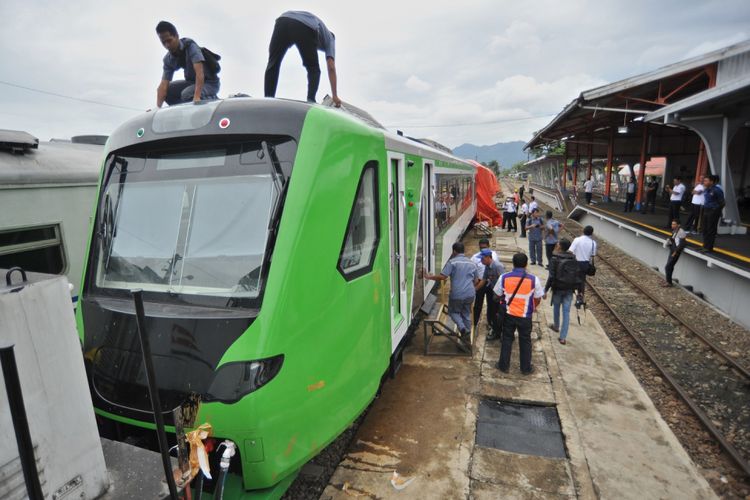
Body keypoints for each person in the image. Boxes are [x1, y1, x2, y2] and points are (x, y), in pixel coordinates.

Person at [264, 11, 341, 106]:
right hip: (305, 25)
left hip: (282, 20)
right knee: (314, 69)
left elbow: (292, 36)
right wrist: (335, 95)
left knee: (273, 63)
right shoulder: (331, 39)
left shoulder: (320, 33)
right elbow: (331, 67)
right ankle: (311, 100)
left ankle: (267, 99)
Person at [493, 253, 545, 374]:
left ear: (513, 263)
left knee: (507, 339)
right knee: (525, 341)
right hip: (525, 316)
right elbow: (538, 298)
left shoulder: (504, 277)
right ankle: (526, 369)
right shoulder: (533, 279)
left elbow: (497, 294)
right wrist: (532, 308)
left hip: (509, 314)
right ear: (526, 264)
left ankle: (503, 366)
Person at [155, 21, 220, 107]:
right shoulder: (168, 59)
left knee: (187, 94)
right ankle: (183, 113)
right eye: (163, 42)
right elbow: (163, 85)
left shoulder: (191, 47)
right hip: (191, 83)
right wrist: (158, 107)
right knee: (168, 91)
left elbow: (200, 73)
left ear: (177, 36)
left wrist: (196, 98)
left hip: (209, 83)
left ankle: (212, 100)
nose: (167, 45)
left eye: (169, 41)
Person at [424, 242, 480, 338]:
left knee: (453, 312)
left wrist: (429, 277)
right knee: (466, 313)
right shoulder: (472, 263)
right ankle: (467, 336)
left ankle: (463, 329)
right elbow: (476, 280)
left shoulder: (452, 262)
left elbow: (442, 277)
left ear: (454, 251)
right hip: (470, 293)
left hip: (457, 294)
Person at [544, 238, 580, 344]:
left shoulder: (555, 258)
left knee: (556, 307)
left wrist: (545, 290)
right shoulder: (574, 259)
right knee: (566, 312)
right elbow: (579, 276)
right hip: (569, 289)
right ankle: (563, 337)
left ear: (560, 246)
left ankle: (556, 326)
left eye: (558, 243)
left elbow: (551, 276)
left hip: (558, 288)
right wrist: (580, 291)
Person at [471, 239, 500, 331]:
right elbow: (473, 272)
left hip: (492, 284)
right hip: (481, 282)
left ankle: (491, 323)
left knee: (491, 304)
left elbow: (500, 276)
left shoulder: (495, 259)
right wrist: (474, 287)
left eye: (484, 247)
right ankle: (474, 322)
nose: (482, 249)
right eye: (481, 248)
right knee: (478, 303)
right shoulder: (475, 258)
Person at [477, 249, 505, 340]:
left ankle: (501, 333)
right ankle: (496, 331)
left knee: (499, 314)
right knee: (493, 313)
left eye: (482, 259)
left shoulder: (498, 266)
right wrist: (475, 289)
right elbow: (484, 280)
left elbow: (504, 281)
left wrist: (501, 296)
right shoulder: (487, 266)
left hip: (500, 295)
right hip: (494, 294)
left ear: (488, 257)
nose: (481, 261)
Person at [569, 225, 597, 299]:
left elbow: (570, 251)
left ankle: (571, 292)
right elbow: (592, 255)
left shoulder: (577, 239)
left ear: (583, 231)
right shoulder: (593, 243)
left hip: (575, 262)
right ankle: (580, 296)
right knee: (582, 280)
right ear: (591, 233)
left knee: (572, 277)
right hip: (585, 264)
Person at [701, 174, 725, 253]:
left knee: (710, 229)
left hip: (713, 211)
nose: (704, 182)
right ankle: (704, 246)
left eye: (706, 180)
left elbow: (722, 203)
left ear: (711, 182)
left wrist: (715, 210)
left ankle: (709, 247)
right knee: (704, 229)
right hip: (706, 210)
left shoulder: (717, 190)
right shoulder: (707, 189)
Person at [663, 219, 687, 287]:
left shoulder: (681, 232)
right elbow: (674, 239)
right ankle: (668, 281)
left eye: (674, 224)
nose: (672, 225)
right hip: (672, 250)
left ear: (678, 225)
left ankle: (669, 282)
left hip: (675, 252)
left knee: (667, 267)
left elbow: (682, 244)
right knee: (670, 266)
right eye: (672, 224)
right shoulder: (675, 231)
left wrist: (675, 253)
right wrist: (669, 240)